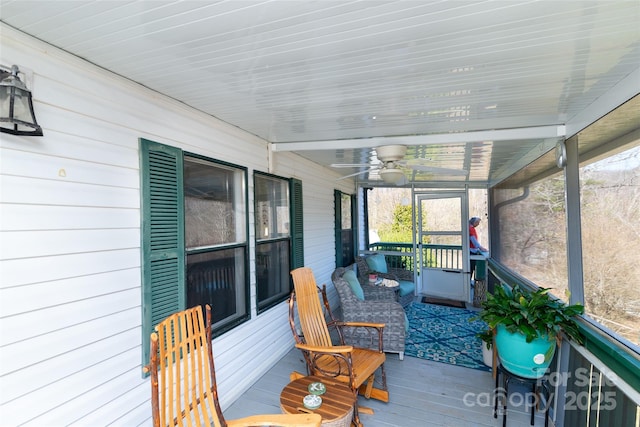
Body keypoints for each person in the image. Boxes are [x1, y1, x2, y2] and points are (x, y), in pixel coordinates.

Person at [469, 217, 488, 281]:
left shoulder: (470, 228)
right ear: (474, 222)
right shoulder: (471, 229)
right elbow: (474, 241)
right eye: (478, 222)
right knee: (471, 268)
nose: (478, 224)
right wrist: (481, 248)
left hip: (471, 250)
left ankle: (469, 282)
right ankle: (468, 282)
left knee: (470, 268)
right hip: (471, 251)